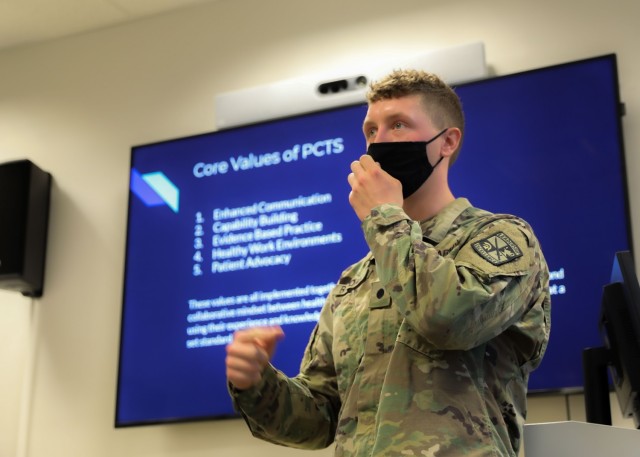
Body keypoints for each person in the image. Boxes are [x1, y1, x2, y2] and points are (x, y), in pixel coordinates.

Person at [225, 69, 551, 457]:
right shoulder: (356, 280)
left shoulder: (502, 237)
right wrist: (257, 382)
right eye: (371, 131)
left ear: (447, 142)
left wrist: (383, 215)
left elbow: (449, 320)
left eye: (398, 125)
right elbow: (321, 419)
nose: (379, 142)